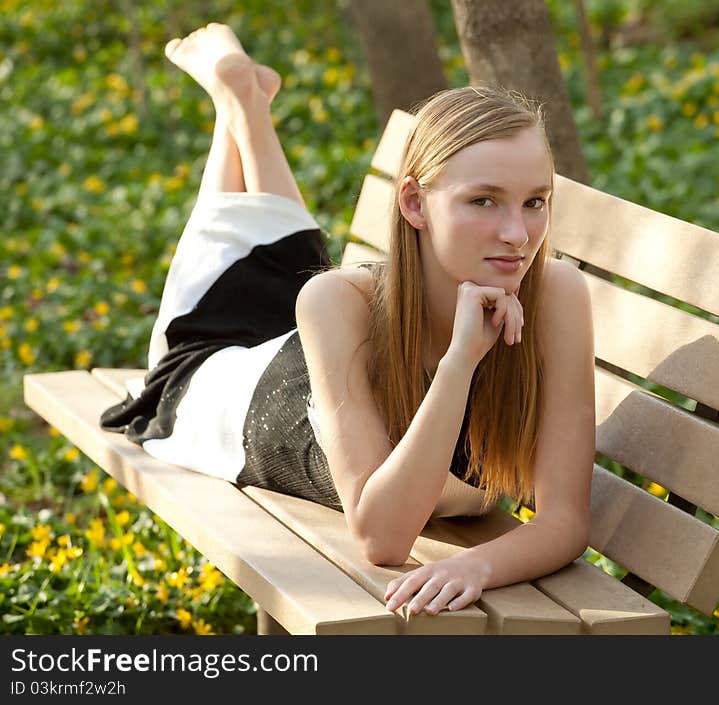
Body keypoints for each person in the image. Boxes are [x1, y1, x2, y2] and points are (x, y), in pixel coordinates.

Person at [100, 23, 596, 618]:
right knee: (275, 282)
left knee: (291, 258)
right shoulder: (337, 303)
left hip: (321, 330)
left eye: (534, 202)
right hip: (219, 384)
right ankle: (237, 105)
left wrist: (477, 564)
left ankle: (244, 103)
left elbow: (565, 520)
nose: (517, 235)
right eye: (483, 200)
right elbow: (382, 538)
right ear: (413, 203)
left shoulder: (557, 292)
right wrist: (461, 360)